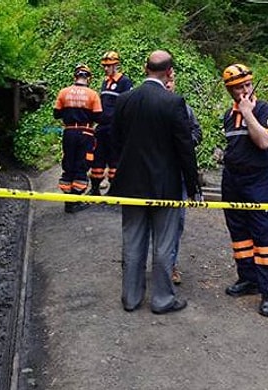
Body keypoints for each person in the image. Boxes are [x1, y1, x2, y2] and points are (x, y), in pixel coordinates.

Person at [109, 50, 200, 314]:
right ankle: (162, 300)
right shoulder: (174, 103)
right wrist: (192, 187)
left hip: (131, 186)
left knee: (133, 242)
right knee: (163, 244)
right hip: (166, 187)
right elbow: (185, 149)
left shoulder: (124, 100)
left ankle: (131, 298)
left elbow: (114, 140)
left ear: (145, 69)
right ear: (169, 72)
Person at [220, 63, 268, 317]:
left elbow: (264, 141)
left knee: (263, 236)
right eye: (238, 88)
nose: (245, 90)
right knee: (239, 234)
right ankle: (248, 278)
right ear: (230, 90)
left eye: (247, 85)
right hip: (233, 180)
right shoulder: (226, 115)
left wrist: (248, 114)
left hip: (259, 182)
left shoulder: (264, 109)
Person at [165, 78, 202, 285]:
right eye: (166, 80)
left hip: (178, 173)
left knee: (176, 222)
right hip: (154, 174)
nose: (168, 84)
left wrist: (184, 144)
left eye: (171, 81)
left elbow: (198, 132)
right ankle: (147, 263)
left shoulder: (184, 108)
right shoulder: (151, 106)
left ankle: (171, 265)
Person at [53, 63, 103, 213]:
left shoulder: (63, 92)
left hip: (69, 132)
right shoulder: (92, 95)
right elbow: (99, 116)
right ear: (89, 78)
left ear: (75, 76)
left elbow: (56, 114)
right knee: (82, 163)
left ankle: (68, 199)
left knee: (68, 162)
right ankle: (76, 199)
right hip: (85, 132)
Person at [89, 51, 133, 195]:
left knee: (115, 159)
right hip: (102, 127)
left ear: (116, 66)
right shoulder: (105, 83)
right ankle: (95, 188)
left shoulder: (124, 82)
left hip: (115, 128)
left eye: (108, 66)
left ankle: (114, 191)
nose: (106, 69)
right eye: (104, 66)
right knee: (98, 158)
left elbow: (127, 105)